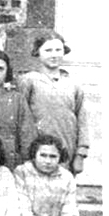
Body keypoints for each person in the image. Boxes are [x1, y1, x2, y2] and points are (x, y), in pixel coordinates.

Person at [18, 31, 89, 175]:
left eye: (58, 50)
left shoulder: (73, 84)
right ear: (37, 52)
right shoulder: (28, 80)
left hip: (66, 146)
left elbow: (82, 120)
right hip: (37, 149)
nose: (54, 54)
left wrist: (81, 153)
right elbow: (21, 116)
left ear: (64, 51)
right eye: (48, 50)